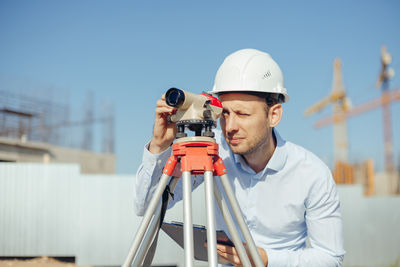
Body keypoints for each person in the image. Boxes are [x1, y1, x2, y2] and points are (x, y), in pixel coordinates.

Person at [134, 48, 345, 266]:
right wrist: (159, 146)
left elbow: (331, 257)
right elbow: (146, 206)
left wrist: (267, 260)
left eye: (243, 114)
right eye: (225, 114)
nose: (230, 127)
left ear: (274, 115)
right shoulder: (211, 150)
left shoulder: (312, 173)